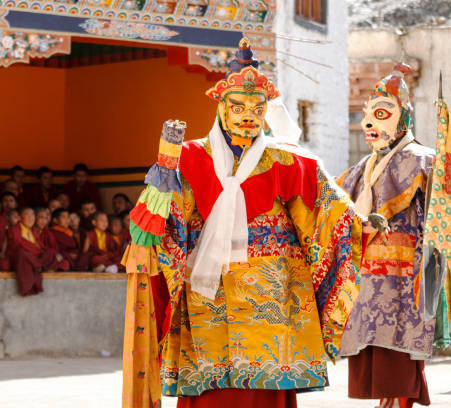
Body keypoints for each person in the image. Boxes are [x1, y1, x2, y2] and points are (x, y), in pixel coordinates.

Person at [121, 38, 379, 408]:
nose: (247, 116)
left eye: (257, 108)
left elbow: (327, 208)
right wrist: (163, 176)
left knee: (266, 379)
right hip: (209, 290)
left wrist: (360, 224)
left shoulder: (289, 160)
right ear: (221, 108)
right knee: (213, 379)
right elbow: (168, 220)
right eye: (238, 106)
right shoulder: (192, 157)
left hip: (272, 288)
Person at [336, 63, 433, 408]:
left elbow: (442, 214)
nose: (368, 124)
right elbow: (338, 207)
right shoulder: (360, 168)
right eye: (366, 116)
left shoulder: (422, 161)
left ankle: (398, 400)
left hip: (404, 272)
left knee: (399, 344)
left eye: (380, 114)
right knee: (373, 346)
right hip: (368, 272)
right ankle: (386, 401)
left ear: (403, 117)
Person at [8, 207, 68, 296]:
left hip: (34, 257)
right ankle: (41, 266)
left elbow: (41, 248)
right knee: (22, 253)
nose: (30, 218)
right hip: (23, 258)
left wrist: (53, 254)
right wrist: (34, 249)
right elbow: (16, 246)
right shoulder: (14, 230)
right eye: (27, 215)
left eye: (32, 215)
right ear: (20, 217)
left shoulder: (33, 231)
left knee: (51, 254)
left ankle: (39, 265)